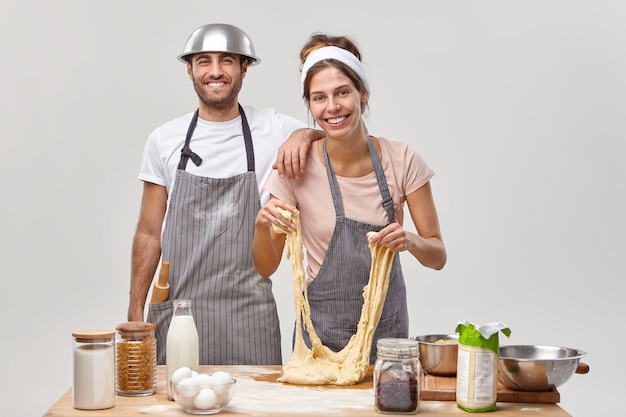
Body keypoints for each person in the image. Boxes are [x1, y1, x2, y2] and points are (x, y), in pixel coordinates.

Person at [127, 23, 322, 366]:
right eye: (204, 61)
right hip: (179, 315)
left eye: (227, 61)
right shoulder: (164, 140)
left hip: (249, 318)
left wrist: (304, 136)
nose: (215, 71)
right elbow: (148, 233)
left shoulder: (274, 128)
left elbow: (334, 135)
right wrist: (134, 310)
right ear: (189, 69)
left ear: (244, 68)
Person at [252, 34, 447, 364]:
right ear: (309, 106)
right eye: (319, 98)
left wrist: (410, 240)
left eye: (342, 92)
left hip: (387, 339)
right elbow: (266, 266)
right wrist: (261, 225)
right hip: (319, 341)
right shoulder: (293, 168)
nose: (332, 107)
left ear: (363, 94)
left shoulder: (402, 160)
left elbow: (437, 256)